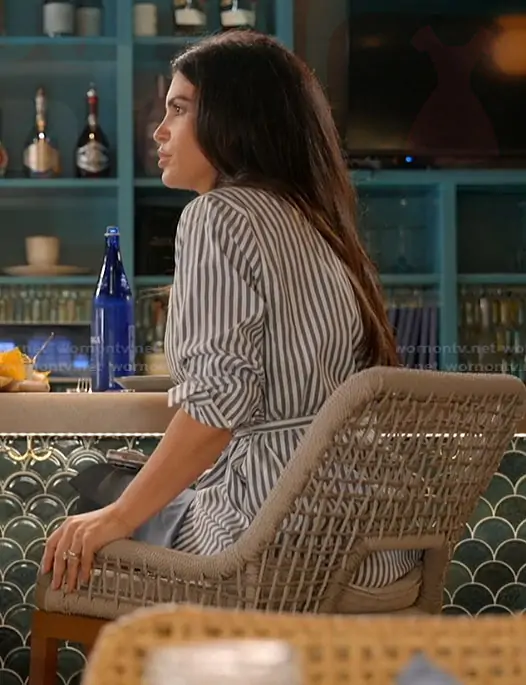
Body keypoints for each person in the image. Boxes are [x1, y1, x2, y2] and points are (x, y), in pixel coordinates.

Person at [42, 30, 422, 593]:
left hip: (278, 545)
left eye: (179, 109)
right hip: (379, 550)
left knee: (79, 513)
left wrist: (115, 518)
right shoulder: (320, 225)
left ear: (233, 119)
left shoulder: (217, 216)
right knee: (116, 492)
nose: (158, 130)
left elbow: (218, 406)